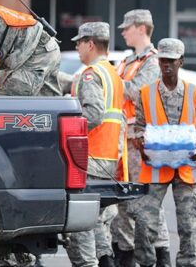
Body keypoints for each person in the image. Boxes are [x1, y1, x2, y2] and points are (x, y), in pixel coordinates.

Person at [129, 38, 196, 267]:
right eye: (163, 60)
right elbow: (139, 126)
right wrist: (140, 141)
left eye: (171, 61)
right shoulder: (145, 94)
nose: (166, 65)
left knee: (189, 226)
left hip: (186, 169)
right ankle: (146, 263)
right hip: (156, 167)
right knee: (144, 223)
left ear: (181, 62)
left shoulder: (195, 94)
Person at [111, 10, 172, 267]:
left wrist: (106, 81)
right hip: (123, 141)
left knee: (146, 203)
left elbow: (136, 91)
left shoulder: (152, 61)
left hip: (141, 142)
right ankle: (125, 256)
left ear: (140, 28)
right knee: (124, 201)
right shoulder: (127, 60)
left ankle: (161, 258)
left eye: (127, 28)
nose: (123, 32)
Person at [66, 22, 126, 267]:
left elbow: (93, 114)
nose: (78, 48)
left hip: (90, 157)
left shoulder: (91, 74)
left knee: (79, 225)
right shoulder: (112, 74)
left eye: (79, 43)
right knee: (97, 220)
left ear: (90, 44)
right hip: (108, 157)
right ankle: (105, 262)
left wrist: (68, 132)